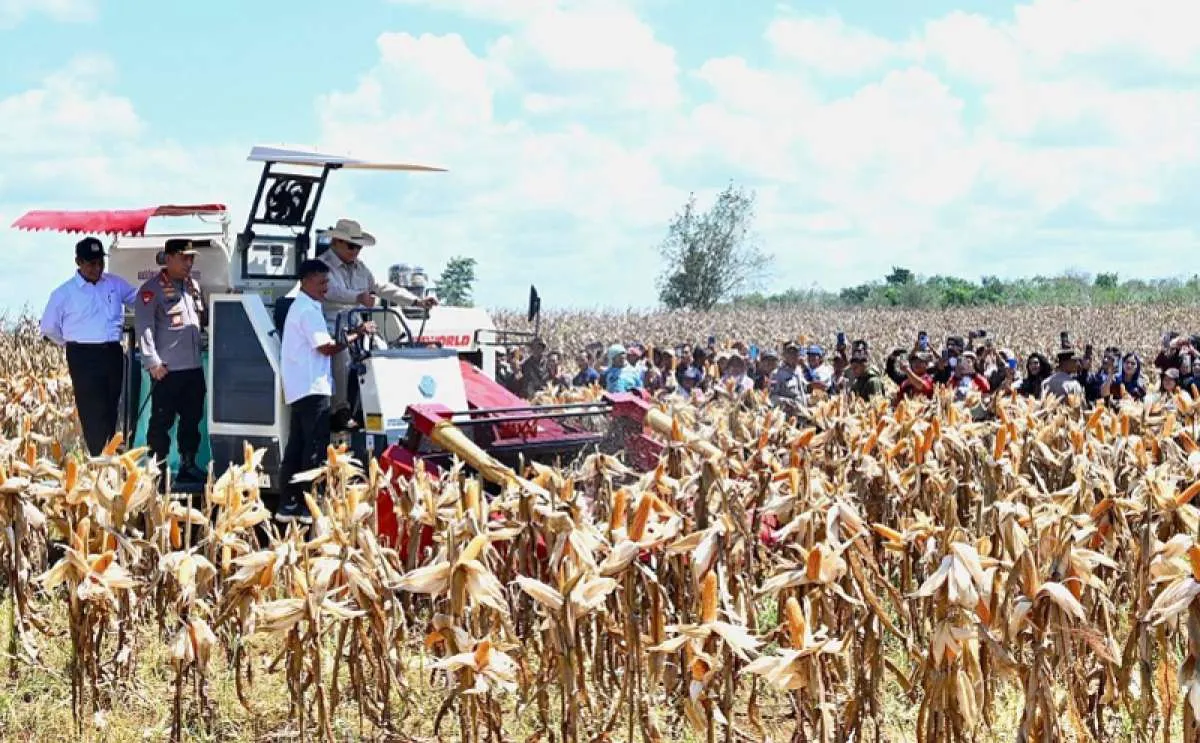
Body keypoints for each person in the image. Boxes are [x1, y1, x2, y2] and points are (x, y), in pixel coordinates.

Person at [277, 260, 375, 524]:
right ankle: (308, 504)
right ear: (306, 281)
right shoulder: (307, 311)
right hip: (312, 387)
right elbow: (327, 347)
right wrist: (357, 333)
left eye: (327, 282)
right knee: (314, 447)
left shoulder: (305, 307)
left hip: (303, 387)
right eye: (322, 283)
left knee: (297, 446)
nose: (326, 288)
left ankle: (289, 504)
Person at [318, 218, 438, 430]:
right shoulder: (322, 266)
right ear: (336, 242)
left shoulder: (360, 268)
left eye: (359, 246)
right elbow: (331, 292)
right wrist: (358, 297)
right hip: (330, 325)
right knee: (342, 353)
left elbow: (381, 287)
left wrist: (416, 301)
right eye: (351, 245)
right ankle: (340, 410)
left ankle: (383, 406)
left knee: (382, 349)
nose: (356, 251)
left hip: (357, 325)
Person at [40, 237, 138, 456]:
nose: (97, 268)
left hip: (112, 352)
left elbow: (138, 299)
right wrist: (67, 342)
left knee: (113, 407)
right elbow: (48, 327)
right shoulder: (63, 293)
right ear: (78, 262)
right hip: (83, 356)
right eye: (91, 263)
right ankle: (97, 457)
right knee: (91, 410)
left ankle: (112, 453)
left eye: (100, 263)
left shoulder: (114, 284)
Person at [135, 238, 208, 485]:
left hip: (193, 368)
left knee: (191, 420)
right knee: (161, 422)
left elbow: (202, 318)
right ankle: (158, 468)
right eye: (184, 257)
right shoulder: (151, 290)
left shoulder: (192, 286)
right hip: (168, 370)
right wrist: (152, 362)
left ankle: (188, 464)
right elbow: (144, 327)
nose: (189, 263)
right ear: (168, 258)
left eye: (192, 258)